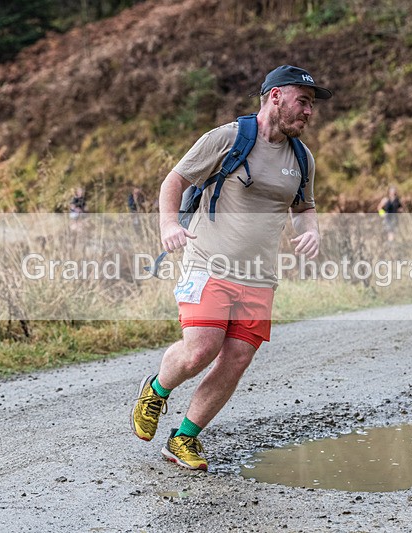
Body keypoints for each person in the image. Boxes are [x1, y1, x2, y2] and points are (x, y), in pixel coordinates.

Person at [131, 65, 331, 470]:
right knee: (201, 349)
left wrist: (310, 231)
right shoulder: (228, 138)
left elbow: (304, 207)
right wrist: (168, 223)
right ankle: (155, 389)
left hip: (259, 277)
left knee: (237, 357)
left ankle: (184, 438)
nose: (309, 112)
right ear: (275, 97)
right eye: (303, 102)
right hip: (208, 262)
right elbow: (175, 180)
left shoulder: (301, 158)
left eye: (311, 105)